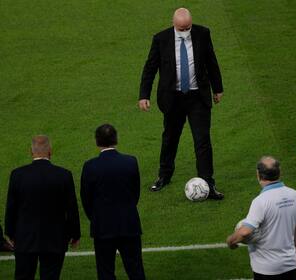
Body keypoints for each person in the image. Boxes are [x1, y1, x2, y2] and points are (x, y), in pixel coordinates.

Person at [138, 7, 224, 199]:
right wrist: (144, 95)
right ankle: (164, 176)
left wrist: (217, 89)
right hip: (173, 99)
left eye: (188, 28)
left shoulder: (202, 33)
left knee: (202, 140)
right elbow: (150, 68)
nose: (185, 32)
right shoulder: (161, 39)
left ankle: (208, 182)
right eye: (181, 29)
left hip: (197, 98)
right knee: (170, 138)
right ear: (174, 24)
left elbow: (211, 61)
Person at [4, 135, 81, 280]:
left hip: (25, 238)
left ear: (31, 152)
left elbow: (11, 207)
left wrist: (10, 233)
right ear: (50, 151)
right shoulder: (64, 175)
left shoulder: (18, 175)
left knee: (23, 276)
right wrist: (75, 234)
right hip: (55, 239)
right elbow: (71, 209)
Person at [80, 124, 146, 280]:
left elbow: (86, 199)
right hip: (128, 224)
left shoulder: (90, 166)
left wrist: (96, 217)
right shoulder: (130, 162)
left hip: (102, 226)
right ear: (116, 139)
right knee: (135, 269)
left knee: (105, 272)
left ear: (97, 141)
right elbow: (135, 193)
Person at [227, 156, 296, 280]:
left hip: (266, 269)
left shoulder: (261, 201)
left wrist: (231, 241)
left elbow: (245, 231)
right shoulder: (294, 195)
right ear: (280, 173)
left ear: (258, 175)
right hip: (290, 265)